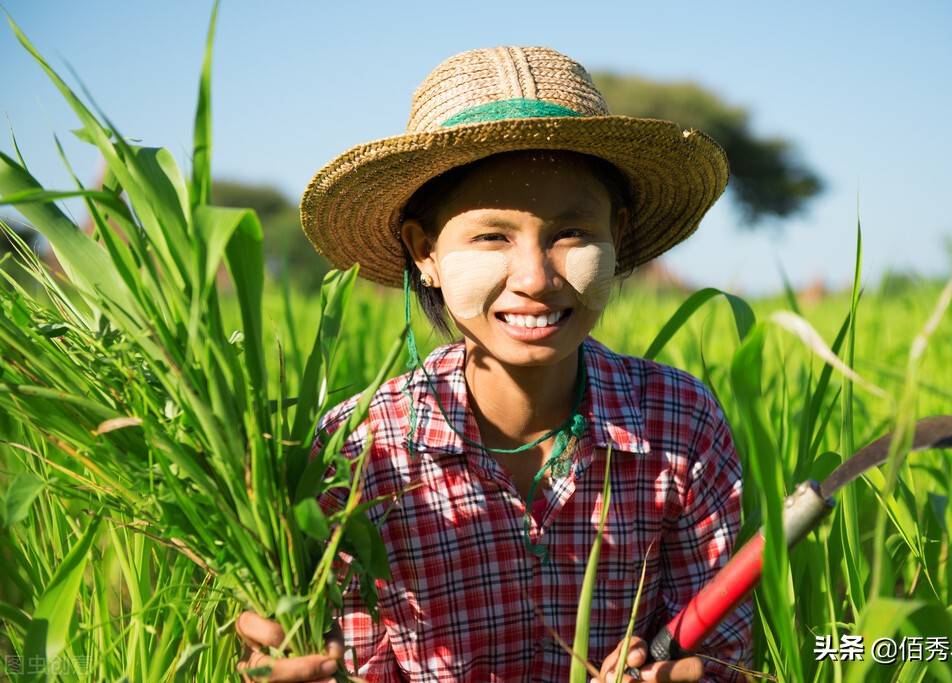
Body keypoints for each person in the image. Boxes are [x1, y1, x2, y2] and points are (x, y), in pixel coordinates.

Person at [236, 46, 752, 682]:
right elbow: (346, 658)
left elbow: (727, 650)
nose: (535, 278)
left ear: (615, 237)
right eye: (491, 237)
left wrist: (685, 674)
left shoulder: (679, 423)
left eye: (572, 234)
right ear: (423, 252)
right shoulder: (361, 449)